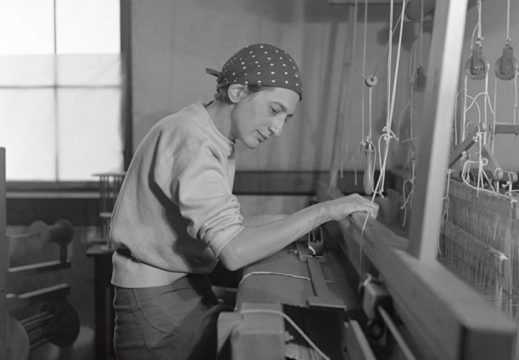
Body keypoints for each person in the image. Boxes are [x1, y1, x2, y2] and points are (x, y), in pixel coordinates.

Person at [110, 43, 378, 360]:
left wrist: (301, 223)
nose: (278, 129)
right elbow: (235, 251)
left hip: (177, 291)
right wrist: (325, 211)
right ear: (238, 92)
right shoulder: (193, 141)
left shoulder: (208, 134)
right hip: (156, 307)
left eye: (287, 118)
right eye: (274, 110)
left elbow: (227, 226)